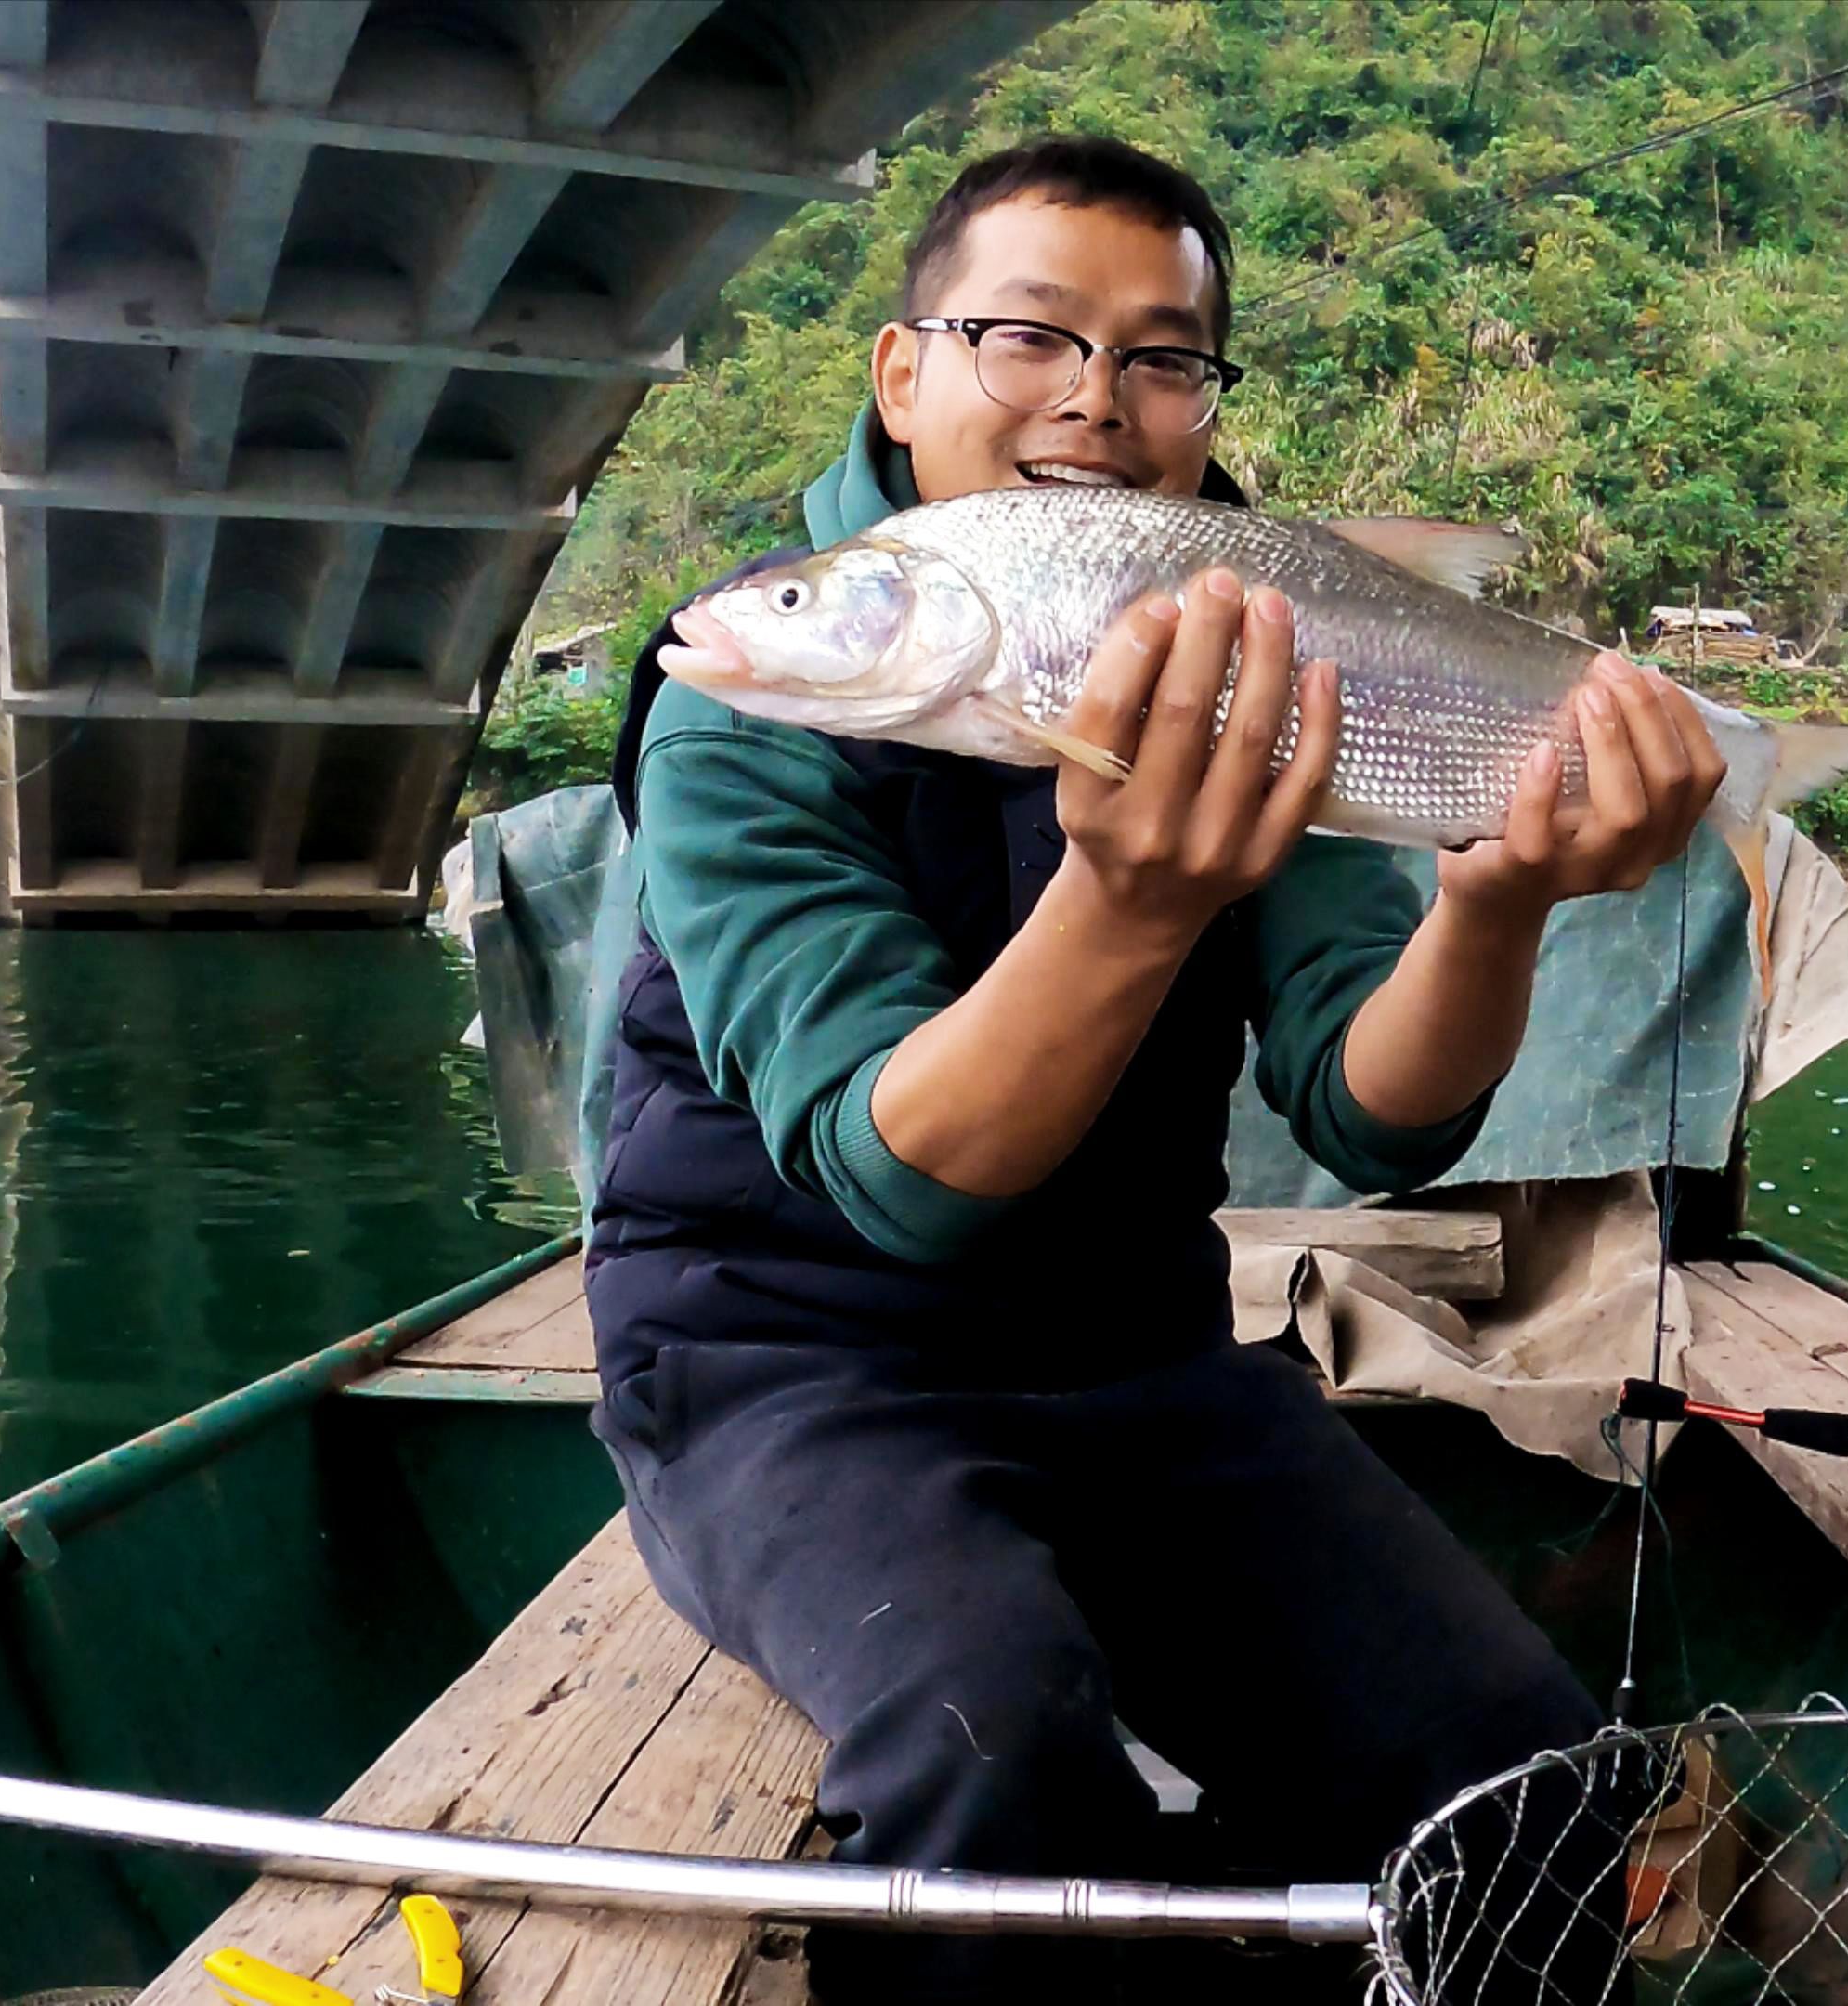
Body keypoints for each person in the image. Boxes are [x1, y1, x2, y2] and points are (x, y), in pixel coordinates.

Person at [587, 134, 1725, 2002]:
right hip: (784, 1359)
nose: (1094, 402)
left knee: (1519, 1778)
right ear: (903, 373)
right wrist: (1129, 901)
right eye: (1029, 338)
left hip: (1139, 1353)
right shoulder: (755, 687)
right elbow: (903, 1180)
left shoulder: (1268, 640)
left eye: (1162, 359)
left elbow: (1371, 1111)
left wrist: (1499, 896)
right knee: (991, 1740)